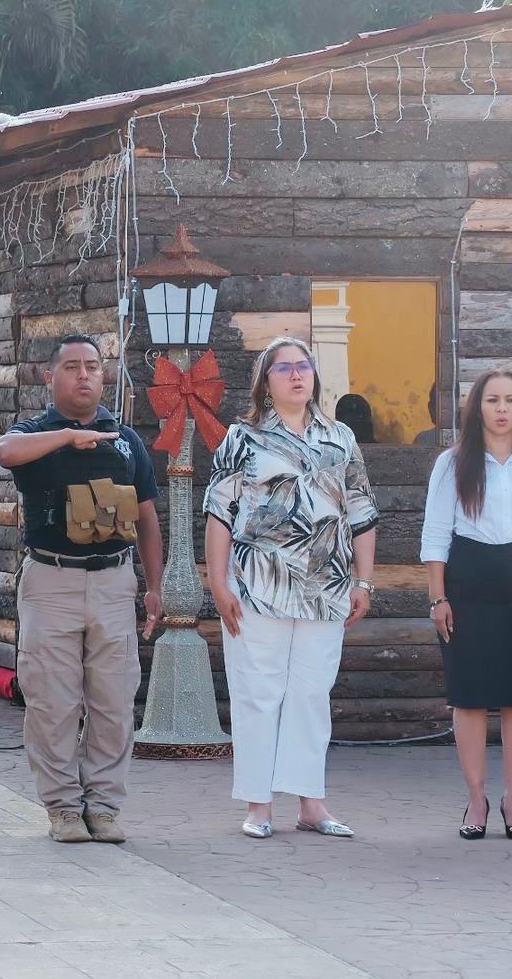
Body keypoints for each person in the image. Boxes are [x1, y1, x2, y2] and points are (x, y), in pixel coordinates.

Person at [204, 337, 379, 841]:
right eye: (284, 369)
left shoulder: (340, 437)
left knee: (310, 693)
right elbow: (219, 512)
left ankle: (311, 804)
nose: (297, 375)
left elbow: (361, 510)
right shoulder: (242, 437)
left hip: (326, 586)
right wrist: (217, 583)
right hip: (257, 585)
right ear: (265, 381)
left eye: (303, 366)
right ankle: (258, 805)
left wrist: (364, 580)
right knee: (258, 693)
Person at [0, 334, 163, 845]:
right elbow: (4, 452)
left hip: (113, 580)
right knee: (52, 702)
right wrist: (67, 437)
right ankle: (64, 808)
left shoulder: (126, 441)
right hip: (51, 580)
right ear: (50, 377)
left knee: (114, 701)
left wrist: (154, 587)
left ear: (103, 375)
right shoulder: (35, 433)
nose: (83, 375)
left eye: (92, 365)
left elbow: (148, 519)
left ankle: (104, 808)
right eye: (71, 366)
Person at [420, 369, 512, 842]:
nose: (501, 409)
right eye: (492, 399)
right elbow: (436, 534)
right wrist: (438, 596)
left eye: (510, 400)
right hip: (469, 581)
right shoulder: (452, 463)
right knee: (470, 695)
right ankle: (476, 799)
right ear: (477, 406)